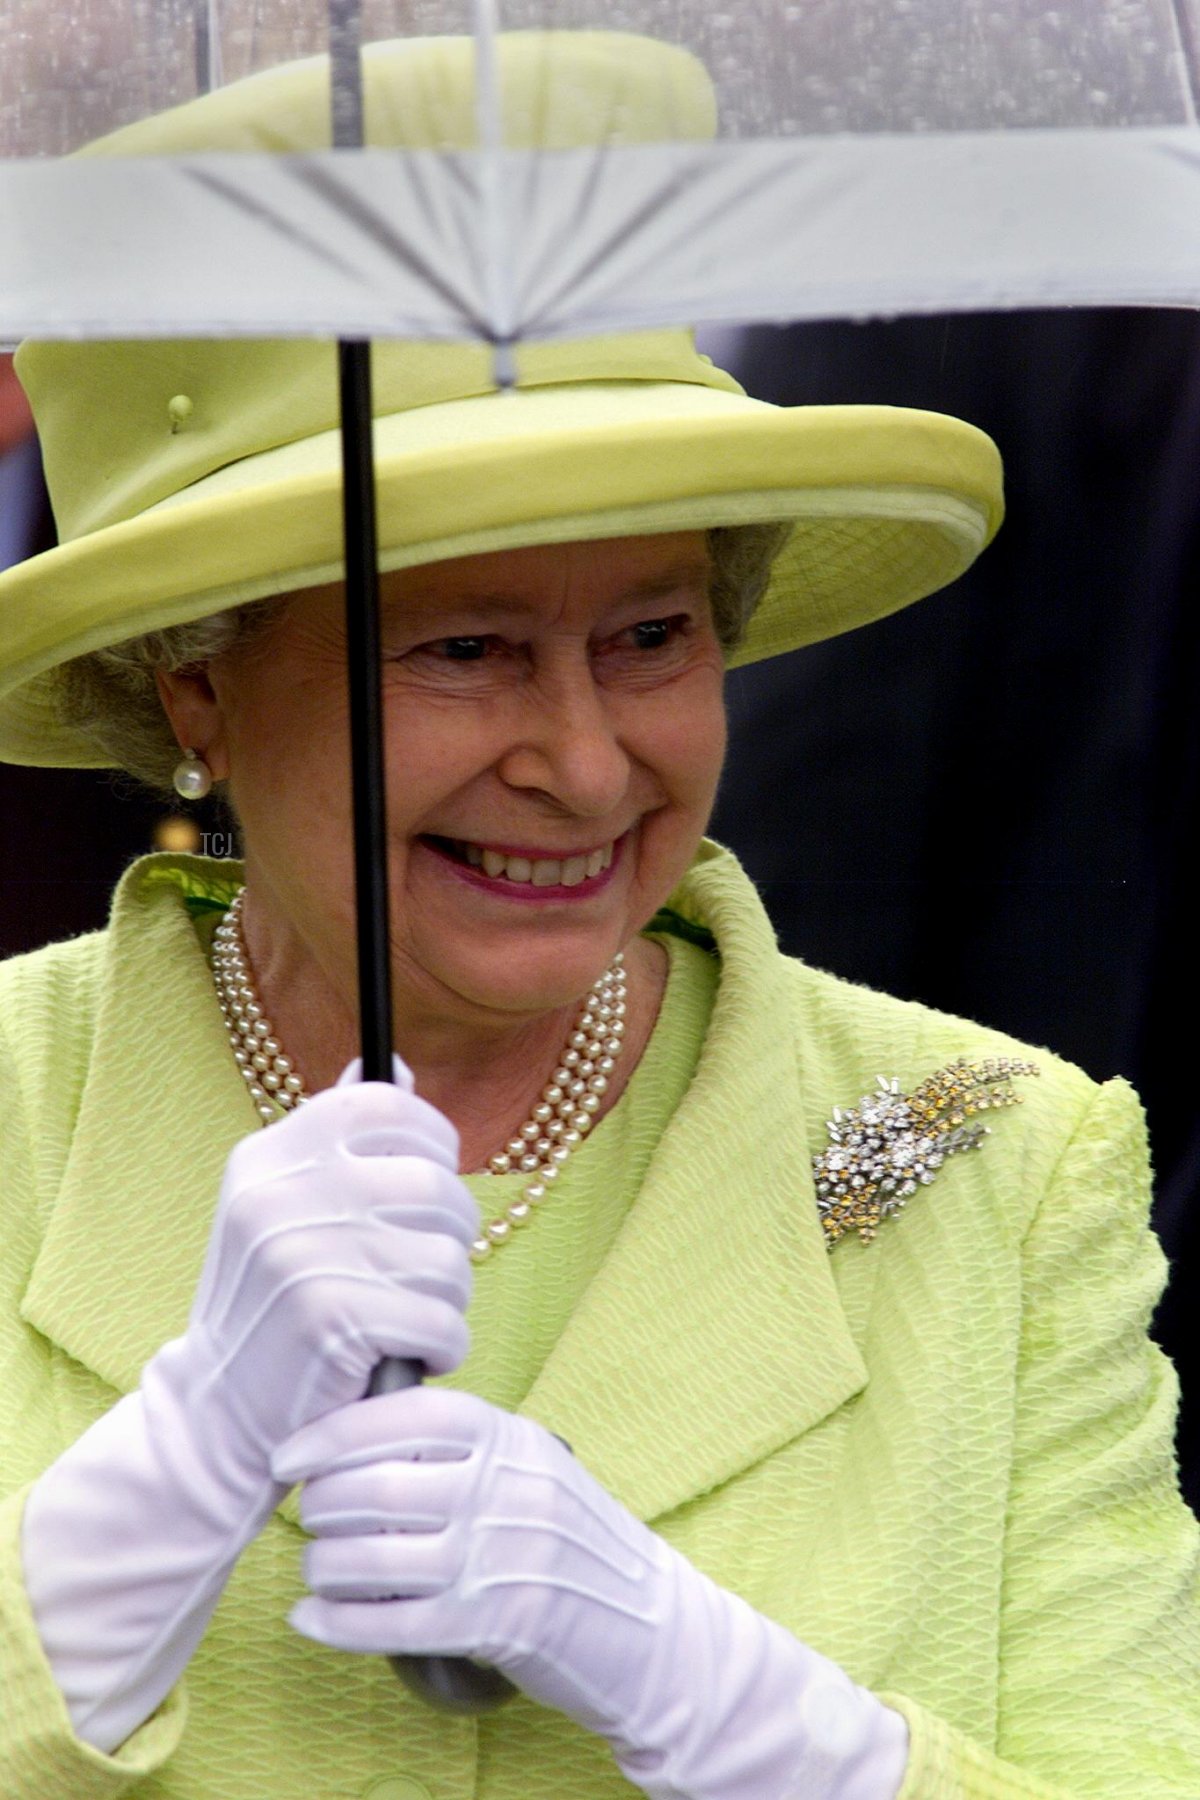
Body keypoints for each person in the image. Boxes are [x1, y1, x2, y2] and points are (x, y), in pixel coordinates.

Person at [1, 34, 1198, 1800]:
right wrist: (127, 1533)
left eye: (651, 637)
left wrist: (770, 1723)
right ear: (194, 692)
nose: (582, 761)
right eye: (463, 649)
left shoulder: (998, 1163)